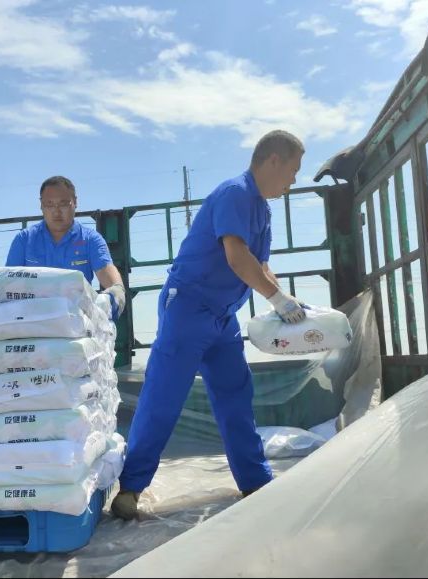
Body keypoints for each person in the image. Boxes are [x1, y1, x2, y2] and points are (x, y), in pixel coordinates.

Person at [110, 130, 308, 520]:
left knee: (236, 394)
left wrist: (285, 300)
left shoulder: (263, 210)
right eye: (293, 170)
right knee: (164, 396)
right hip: (189, 306)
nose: (293, 180)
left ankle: (255, 481)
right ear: (274, 161)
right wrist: (276, 299)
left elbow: (260, 265)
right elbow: (236, 256)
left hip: (222, 315)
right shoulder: (235, 193)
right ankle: (130, 488)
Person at [5, 176, 126, 320]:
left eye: (63, 204)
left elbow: (105, 270)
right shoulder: (24, 240)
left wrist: (117, 289)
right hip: (33, 322)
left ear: (75, 202)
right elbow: (8, 284)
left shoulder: (90, 239)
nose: (56, 211)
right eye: (49, 204)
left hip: (78, 320)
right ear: (41, 205)